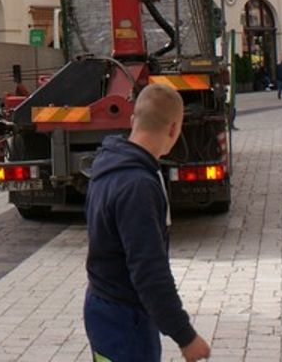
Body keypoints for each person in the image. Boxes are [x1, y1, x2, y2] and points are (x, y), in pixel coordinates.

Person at [83, 84, 211, 362]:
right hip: (125, 321)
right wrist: (185, 336)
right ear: (174, 129)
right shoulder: (138, 185)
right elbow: (149, 271)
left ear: (132, 120)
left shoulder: (107, 164)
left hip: (101, 306)